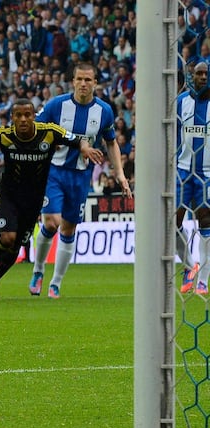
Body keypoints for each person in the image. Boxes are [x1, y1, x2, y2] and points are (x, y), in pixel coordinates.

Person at [0, 99, 101, 300]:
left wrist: (84, 148)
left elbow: (77, 140)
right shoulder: (4, 135)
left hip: (34, 200)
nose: (23, 119)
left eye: (27, 115)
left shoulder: (50, 132)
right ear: (12, 118)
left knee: (16, 246)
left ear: (33, 116)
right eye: (18, 115)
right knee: (7, 238)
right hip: (8, 195)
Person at [29, 62, 132, 299]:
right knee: (52, 222)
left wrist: (120, 174)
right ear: (72, 81)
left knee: (69, 227)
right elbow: (36, 130)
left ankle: (55, 283)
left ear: (95, 83)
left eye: (88, 80)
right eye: (79, 79)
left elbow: (111, 142)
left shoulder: (104, 111)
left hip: (81, 176)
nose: (83, 84)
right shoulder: (57, 105)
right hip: (54, 171)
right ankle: (38, 269)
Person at [176, 61, 210, 294]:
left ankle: (203, 280)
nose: (203, 77)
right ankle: (190, 266)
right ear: (192, 76)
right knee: (173, 221)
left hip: (207, 172)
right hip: (182, 170)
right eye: (199, 73)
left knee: (206, 221)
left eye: (206, 74)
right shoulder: (180, 102)